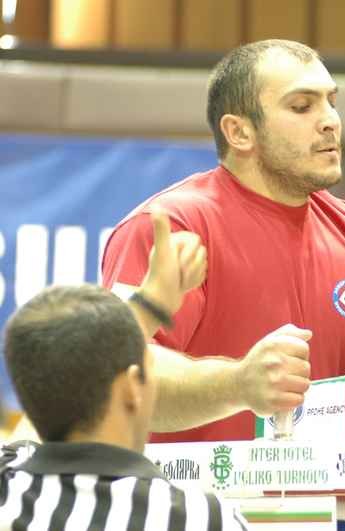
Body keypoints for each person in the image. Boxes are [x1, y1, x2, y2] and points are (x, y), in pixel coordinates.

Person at [101, 40, 345, 444]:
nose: (330, 121)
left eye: (331, 102)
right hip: (196, 504)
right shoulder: (170, 226)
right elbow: (121, 377)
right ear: (239, 132)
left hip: (334, 507)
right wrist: (237, 384)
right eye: (302, 106)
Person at [0, 212, 250, 530]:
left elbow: (33, 419)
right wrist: (153, 302)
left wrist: (152, 302)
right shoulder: (203, 519)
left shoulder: (8, 489)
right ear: (132, 388)